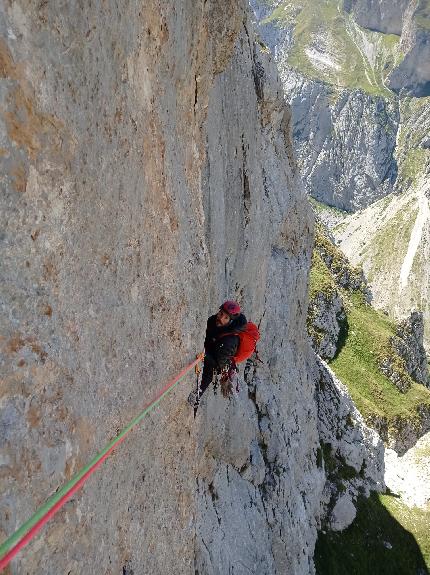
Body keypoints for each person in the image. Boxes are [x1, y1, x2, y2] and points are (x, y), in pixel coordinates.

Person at [188, 301, 247, 415]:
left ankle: (196, 400)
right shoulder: (213, 320)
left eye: (225, 317)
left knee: (205, 379)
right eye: (221, 313)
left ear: (231, 321)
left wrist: (204, 355)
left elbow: (218, 364)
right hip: (211, 348)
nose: (220, 318)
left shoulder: (230, 341)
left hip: (217, 361)